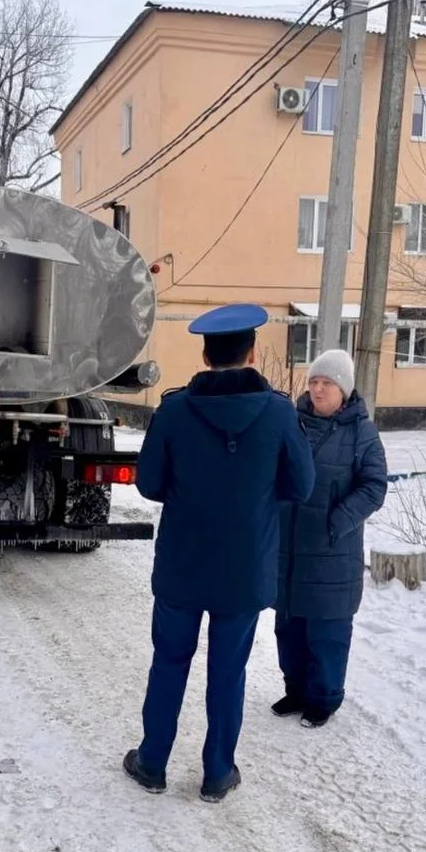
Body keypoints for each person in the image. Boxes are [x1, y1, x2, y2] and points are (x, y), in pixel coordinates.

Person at [124, 303, 316, 803]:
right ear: (251, 352)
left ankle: (151, 763)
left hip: (183, 565)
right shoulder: (277, 412)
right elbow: (302, 484)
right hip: (245, 568)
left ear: (205, 354)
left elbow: (148, 483)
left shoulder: (174, 409)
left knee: (169, 661)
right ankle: (217, 772)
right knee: (228, 670)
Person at [272, 349, 388, 729]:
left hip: (331, 550)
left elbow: (374, 487)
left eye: (327, 384)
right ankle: (295, 690)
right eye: (314, 382)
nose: (318, 390)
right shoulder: (291, 424)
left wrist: (338, 520)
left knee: (327, 630)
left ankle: (323, 698)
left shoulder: (362, 433)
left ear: (344, 390)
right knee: (289, 626)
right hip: (288, 547)